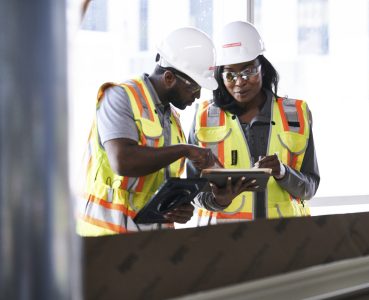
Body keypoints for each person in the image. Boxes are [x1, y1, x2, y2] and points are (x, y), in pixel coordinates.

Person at [77, 27, 220, 236]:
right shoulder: (119, 97)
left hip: (151, 245)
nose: (198, 96)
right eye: (194, 87)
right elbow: (123, 161)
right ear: (169, 78)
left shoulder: (172, 119)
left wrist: (179, 209)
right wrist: (183, 150)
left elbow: (155, 186)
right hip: (105, 240)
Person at [187, 21, 320, 225]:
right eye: (230, 74)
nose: (239, 82)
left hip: (285, 238)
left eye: (248, 71)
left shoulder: (296, 114)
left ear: (262, 69)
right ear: (220, 77)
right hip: (221, 243)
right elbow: (193, 189)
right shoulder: (203, 118)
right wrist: (217, 200)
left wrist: (282, 172)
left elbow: (309, 187)